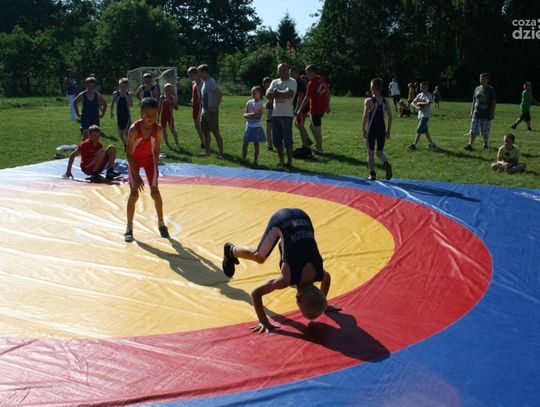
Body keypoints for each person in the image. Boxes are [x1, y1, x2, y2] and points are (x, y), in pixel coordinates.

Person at [221, 208, 341, 334]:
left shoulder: (319, 273)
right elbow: (256, 293)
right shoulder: (286, 279)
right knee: (259, 257)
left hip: (302, 217)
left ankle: (284, 244)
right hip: (282, 220)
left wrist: (323, 303)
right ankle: (231, 251)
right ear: (297, 299)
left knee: (292, 249)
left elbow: (327, 278)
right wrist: (263, 321)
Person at [124, 97, 169, 243]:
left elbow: (156, 149)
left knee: (155, 192)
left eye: (154, 115)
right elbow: (128, 154)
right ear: (141, 113)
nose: (151, 118)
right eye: (148, 115)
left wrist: (155, 167)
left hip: (150, 161)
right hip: (134, 161)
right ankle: (129, 227)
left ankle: (161, 224)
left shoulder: (158, 129)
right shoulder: (134, 130)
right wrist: (136, 176)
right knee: (134, 194)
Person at [361, 78, 393, 181]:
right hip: (381, 129)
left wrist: (363, 129)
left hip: (371, 129)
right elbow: (390, 116)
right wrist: (388, 130)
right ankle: (386, 164)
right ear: (381, 88)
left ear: (372, 88)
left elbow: (365, 116)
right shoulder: (385, 101)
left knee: (370, 153)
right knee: (379, 152)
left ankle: (373, 174)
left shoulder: (368, 101)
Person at [267, 63, 297, 169]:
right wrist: (281, 93)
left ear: (288, 70)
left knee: (288, 140)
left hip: (287, 115)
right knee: (276, 141)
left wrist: (276, 92)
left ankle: (290, 162)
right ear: (278, 71)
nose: (282, 72)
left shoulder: (292, 81)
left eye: (284, 70)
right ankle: (282, 162)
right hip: (275, 115)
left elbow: (289, 95)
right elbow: (268, 94)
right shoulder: (274, 82)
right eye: (280, 70)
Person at [296, 65, 330, 156]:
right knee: (312, 127)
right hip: (322, 107)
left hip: (316, 109)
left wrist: (299, 110)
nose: (307, 75)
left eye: (309, 72)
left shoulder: (312, 83)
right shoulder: (321, 78)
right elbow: (328, 92)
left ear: (315, 72)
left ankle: (320, 149)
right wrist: (327, 106)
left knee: (317, 130)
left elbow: (306, 98)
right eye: (307, 73)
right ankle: (318, 145)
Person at [198, 64, 224, 158]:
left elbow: (219, 94)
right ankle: (207, 153)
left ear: (205, 72)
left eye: (200, 73)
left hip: (211, 112)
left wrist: (216, 107)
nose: (199, 75)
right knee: (205, 132)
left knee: (216, 133)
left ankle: (221, 153)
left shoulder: (211, 81)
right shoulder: (204, 82)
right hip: (204, 112)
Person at [465, 73, 496, 151]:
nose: (482, 80)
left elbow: (493, 102)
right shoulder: (477, 88)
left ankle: (485, 144)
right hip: (476, 113)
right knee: (473, 129)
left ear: (488, 80)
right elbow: (474, 100)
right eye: (481, 78)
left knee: (485, 131)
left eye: (484, 79)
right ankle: (470, 144)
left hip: (486, 114)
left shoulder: (490, 89)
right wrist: (471, 111)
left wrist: (492, 113)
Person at [241, 86, 266, 167]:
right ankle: (244, 159)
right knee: (245, 143)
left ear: (259, 93)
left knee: (256, 144)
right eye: (251, 92)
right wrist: (253, 114)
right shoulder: (249, 102)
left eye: (254, 92)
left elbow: (259, 117)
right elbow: (245, 115)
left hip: (257, 127)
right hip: (249, 126)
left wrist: (250, 115)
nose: (252, 94)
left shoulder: (262, 103)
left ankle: (255, 161)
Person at [409, 81, 437, 150]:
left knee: (419, 130)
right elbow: (412, 103)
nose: (422, 89)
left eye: (424, 87)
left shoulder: (428, 95)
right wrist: (417, 107)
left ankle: (414, 145)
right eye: (421, 87)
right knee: (425, 131)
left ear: (427, 88)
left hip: (425, 116)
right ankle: (432, 144)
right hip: (420, 116)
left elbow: (429, 103)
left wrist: (420, 103)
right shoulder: (419, 95)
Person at [290, 67, 312, 148]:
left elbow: (301, 96)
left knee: (299, 124)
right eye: (290, 74)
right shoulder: (294, 82)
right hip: (299, 106)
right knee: (298, 124)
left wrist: (298, 109)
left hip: (302, 107)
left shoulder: (299, 82)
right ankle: (307, 140)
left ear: (297, 74)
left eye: (292, 74)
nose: (290, 75)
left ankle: (305, 144)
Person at [110, 78, 133, 148]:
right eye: (122, 86)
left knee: (126, 132)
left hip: (127, 115)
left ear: (127, 86)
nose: (123, 88)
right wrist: (111, 112)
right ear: (119, 86)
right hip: (119, 115)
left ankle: (129, 146)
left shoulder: (129, 94)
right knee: (120, 133)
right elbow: (112, 103)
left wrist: (125, 95)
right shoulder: (116, 93)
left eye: (125, 86)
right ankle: (125, 144)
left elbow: (130, 105)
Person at [187, 67, 205, 150]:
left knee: (201, 125)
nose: (190, 77)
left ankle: (205, 142)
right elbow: (194, 93)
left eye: (191, 75)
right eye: (189, 75)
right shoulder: (193, 82)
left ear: (196, 74)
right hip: (194, 107)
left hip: (201, 106)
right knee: (197, 126)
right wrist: (192, 99)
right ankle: (202, 141)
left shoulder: (202, 83)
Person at [158, 83, 179, 149]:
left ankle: (176, 143)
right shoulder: (161, 97)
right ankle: (166, 142)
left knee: (172, 129)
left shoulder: (172, 98)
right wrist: (158, 116)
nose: (168, 91)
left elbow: (177, 108)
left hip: (170, 116)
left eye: (169, 89)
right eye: (166, 89)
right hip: (163, 116)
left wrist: (171, 103)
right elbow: (159, 107)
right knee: (163, 130)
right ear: (164, 90)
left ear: (171, 90)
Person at [262, 77, 274, 152]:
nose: (265, 85)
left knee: (269, 129)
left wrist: (263, 107)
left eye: (266, 84)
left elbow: (270, 101)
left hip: (272, 111)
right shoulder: (272, 89)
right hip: (273, 110)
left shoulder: (270, 90)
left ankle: (270, 147)